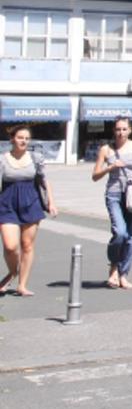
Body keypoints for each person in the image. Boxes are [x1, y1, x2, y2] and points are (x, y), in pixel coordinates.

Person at [92, 117, 132, 290]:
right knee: (120, 232)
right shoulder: (106, 150)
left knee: (130, 237)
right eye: (117, 129)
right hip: (113, 194)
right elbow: (95, 176)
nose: (120, 133)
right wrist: (109, 168)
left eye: (124, 129)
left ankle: (123, 274)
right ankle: (113, 268)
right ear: (113, 131)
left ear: (129, 130)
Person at [1, 125, 57, 296]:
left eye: (26, 138)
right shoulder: (2, 159)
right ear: (12, 139)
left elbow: (44, 181)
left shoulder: (35, 157)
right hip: (7, 202)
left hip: (30, 201)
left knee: (27, 245)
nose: (24, 141)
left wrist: (51, 202)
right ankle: (13, 271)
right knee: (10, 246)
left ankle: (22, 285)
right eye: (20, 137)